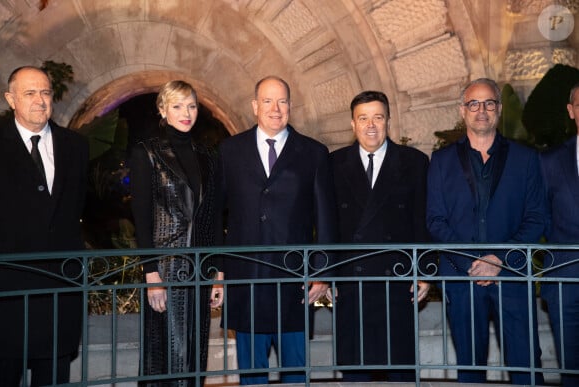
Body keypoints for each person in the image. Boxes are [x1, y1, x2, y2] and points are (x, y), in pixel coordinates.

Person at [216, 75, 337, 385]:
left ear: (290, 106)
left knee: (296, 375)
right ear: (255, 106)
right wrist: (218, 271)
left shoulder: (314, 153)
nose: (275, 108)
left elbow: (325, 219)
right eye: (268, 101)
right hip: (246, 281)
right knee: (251, 376)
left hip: (294, 284)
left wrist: (322, 273)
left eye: (282, 101)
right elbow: (215, 215)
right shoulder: (229, 151)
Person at [426, 78, 547, 384]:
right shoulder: (440, 161)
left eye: (489, 103)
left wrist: (498, 259)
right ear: (462, 110)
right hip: (461, 276)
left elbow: (536, 218)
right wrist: (472, 261)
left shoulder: (526, 158)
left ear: (499, 108)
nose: (482, 110)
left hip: (512, 275)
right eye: (474, 104)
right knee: (470, 368)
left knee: (526, 367)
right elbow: (435, 220)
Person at [327, 90, 430, 382]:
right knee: (355, 373)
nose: (371, 125)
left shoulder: (414, 162)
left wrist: (423, 272)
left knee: (399, 371)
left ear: (388, 120)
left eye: (378, 117)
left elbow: (421, 220)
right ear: (352, 124)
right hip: (351, 282)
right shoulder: (333, 164)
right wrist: (327, 274)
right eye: (363, 118)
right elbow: (327, 225)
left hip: (397, 281)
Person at [0, 66, 88, 386]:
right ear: (11, 99)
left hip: (58, 296)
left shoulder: (76, 147)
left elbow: (77, 210)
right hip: (7, 296)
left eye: (46, 93)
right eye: (30, 93)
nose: (40, 100)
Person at [130, 80, 223, 386]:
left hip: (198, 271)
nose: (187, 113)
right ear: (162, 110)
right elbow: (141, 218)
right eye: (178, 106)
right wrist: (151, 273)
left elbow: (212, 217)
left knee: (194, 355)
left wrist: (218, 272)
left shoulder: (207, 156)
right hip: (166, 268)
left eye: (192, 105)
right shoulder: (147, 153)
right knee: (165, 356)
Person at [539, 82, 579, 387]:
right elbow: (539, 216)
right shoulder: (551, 160)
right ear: (571, 111)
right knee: (570, 368)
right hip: (565, 280)